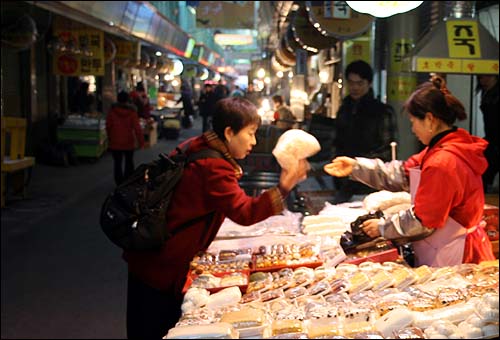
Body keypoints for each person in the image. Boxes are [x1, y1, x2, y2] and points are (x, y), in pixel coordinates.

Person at [123, 96, 310, 339]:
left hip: (151, 256)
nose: (253, 141)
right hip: (162, 264)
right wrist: (283, 187)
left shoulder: (199, 145)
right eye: (250, 133)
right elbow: (244, 212)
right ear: (230, 132)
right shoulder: (213, 165)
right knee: (155, 329)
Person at [324, 75, 495, 268]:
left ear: (430, 120)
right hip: (445, 246)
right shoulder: (441, 148)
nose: (412, 129)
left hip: (457, 254)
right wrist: (356, 167)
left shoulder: (443, 161)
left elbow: (424, 220)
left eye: (413, 121)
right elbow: (402, 174)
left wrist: (382, 227)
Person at [106, 91, 145, 186]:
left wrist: (110, 138)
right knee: (129, 163)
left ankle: (118, 183)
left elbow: (108, 126)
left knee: (117, 163)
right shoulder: (132, 112)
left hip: (115, 141)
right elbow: (137, 128)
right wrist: (141, 142)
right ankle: (127, 182)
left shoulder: (112, 111)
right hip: (128, 142)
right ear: (128, 100)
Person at [476, 74, 499, 193]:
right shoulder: (486, 93)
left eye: (487, 76)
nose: (483, 80)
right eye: (480, 77)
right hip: (491, 139)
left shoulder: (493, 94)